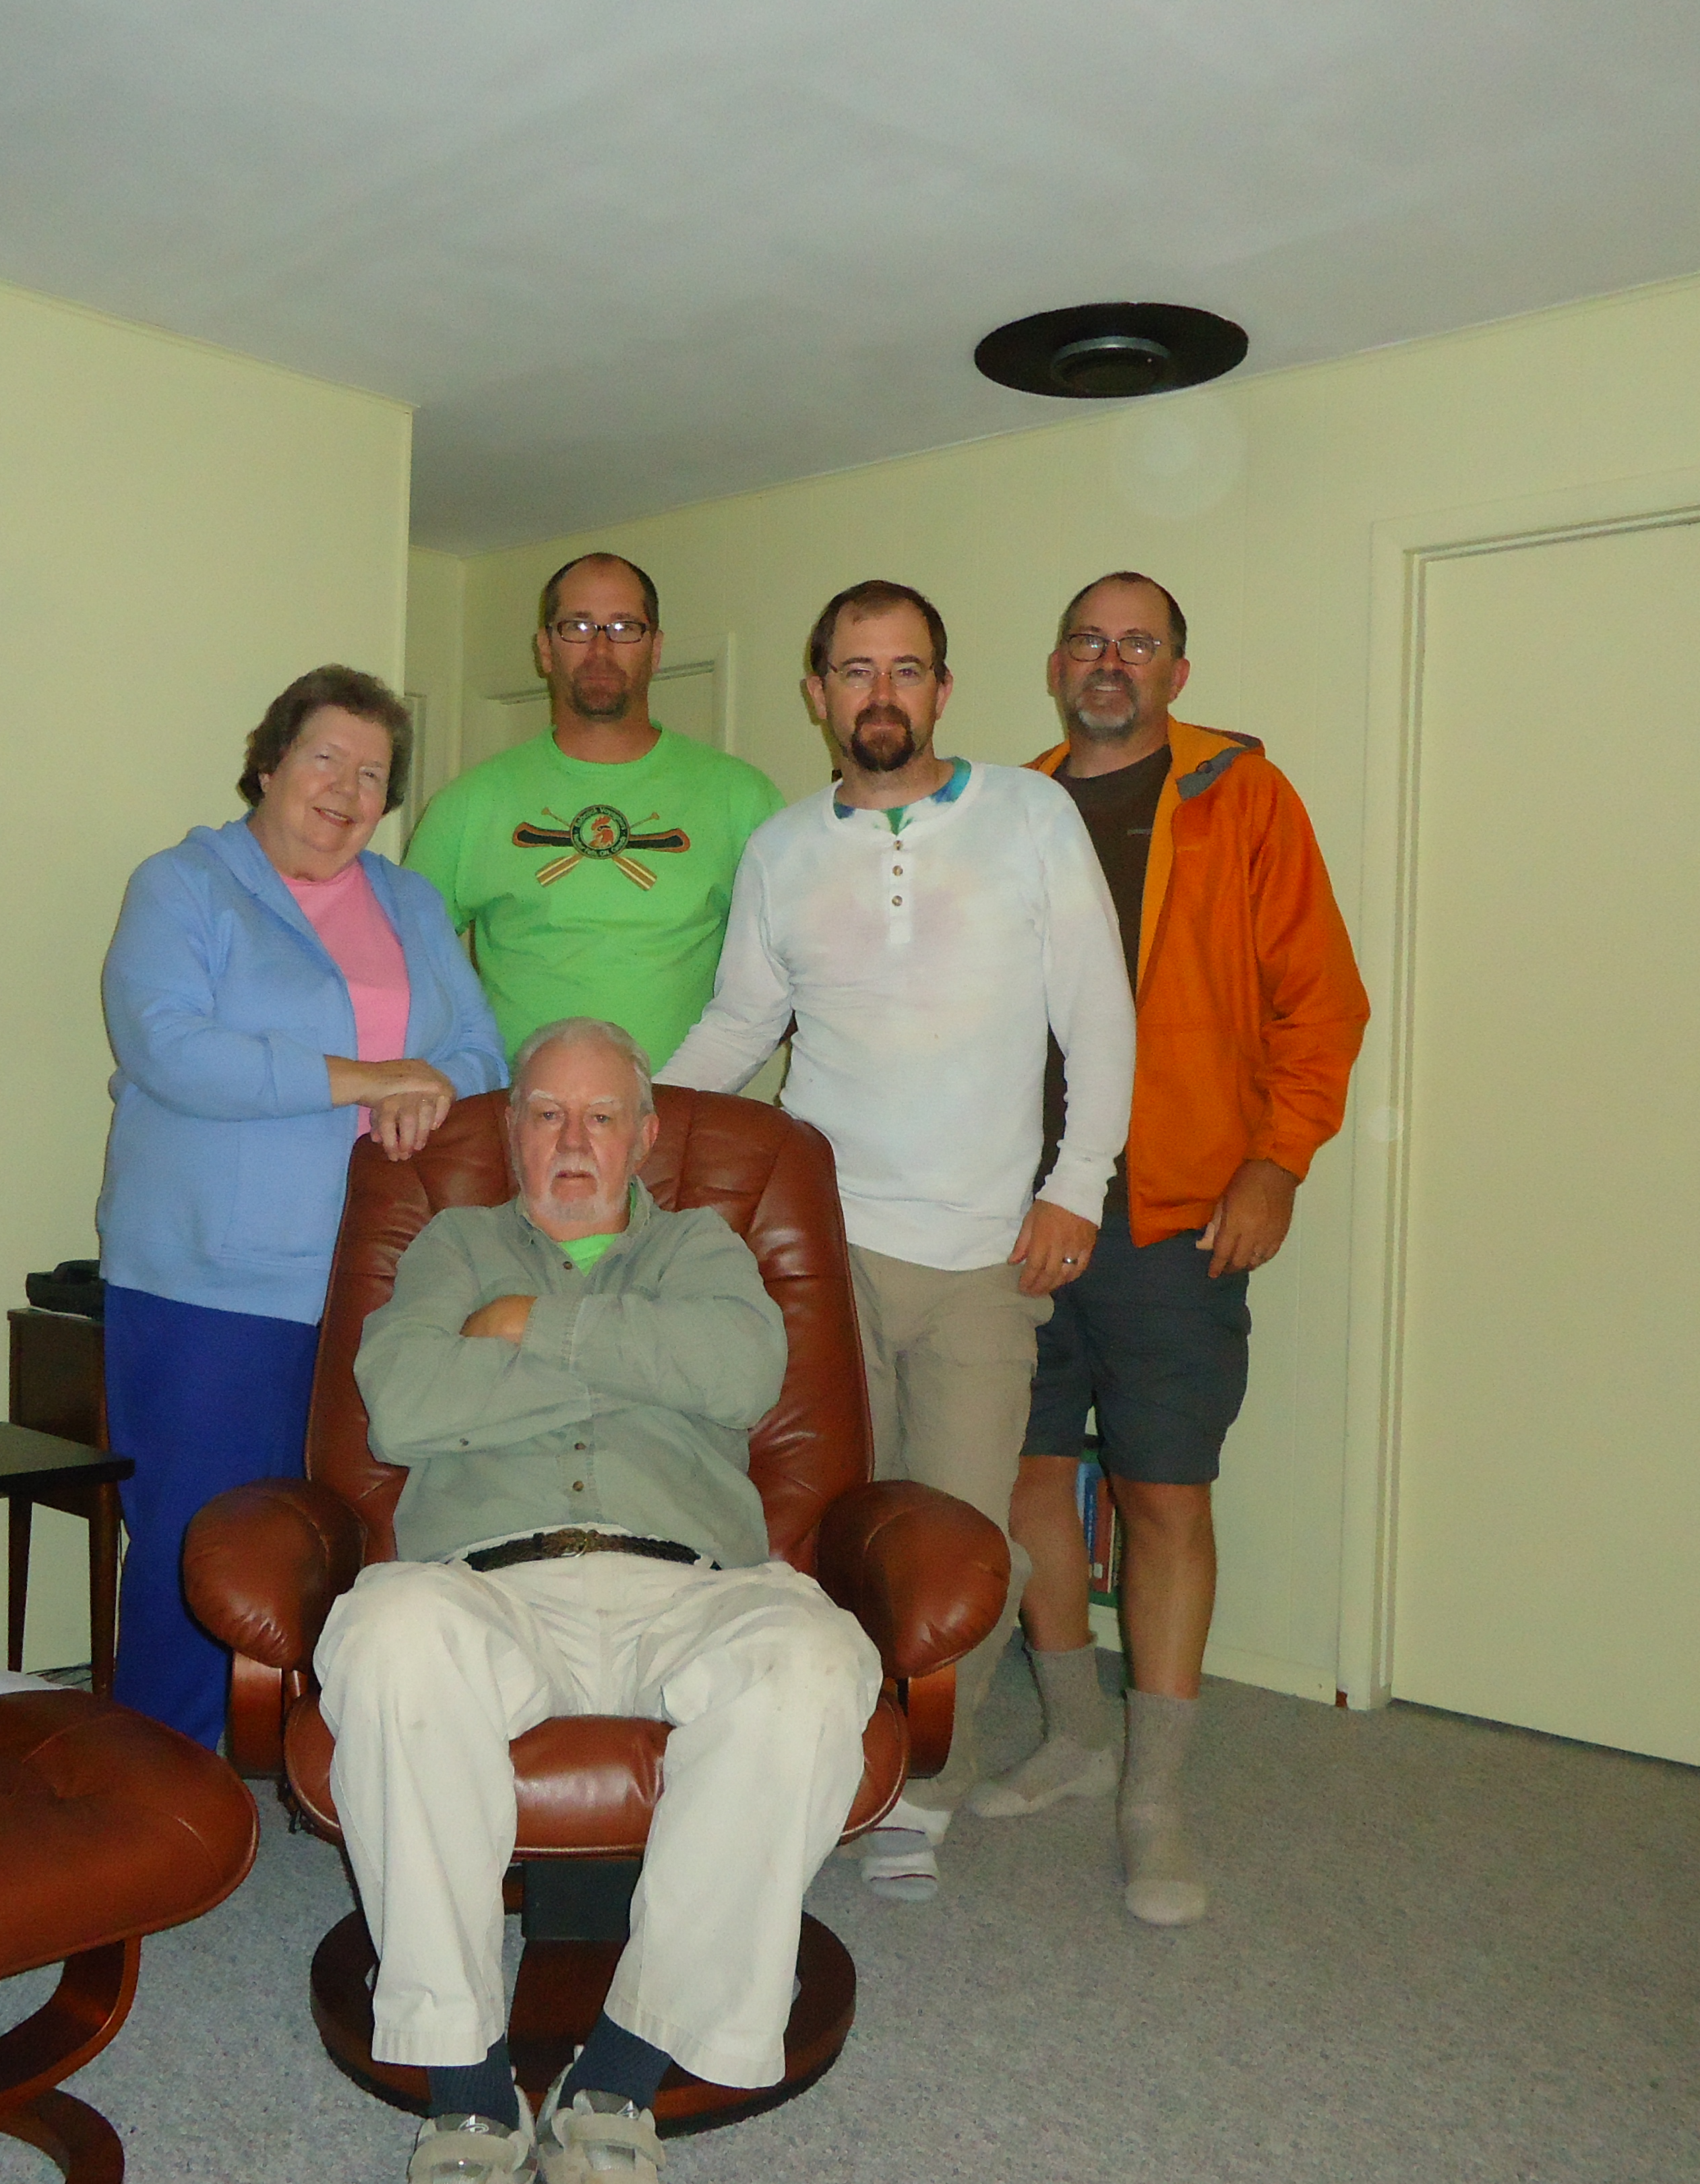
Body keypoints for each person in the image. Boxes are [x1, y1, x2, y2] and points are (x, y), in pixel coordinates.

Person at [320, 1017, 880, 2184]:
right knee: (385, 1637)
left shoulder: (704, 1250)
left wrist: (526, 1331)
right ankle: (468, 2086)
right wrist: (636, 1370)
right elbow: (406, 1405)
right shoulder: (457, 1246)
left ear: (645, 1138)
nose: (573, 1141)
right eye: (546, 1115)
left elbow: (741, 1374)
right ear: (513, 1134)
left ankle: (623, 2069)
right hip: (488, 1585)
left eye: (601, 1117)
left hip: (690, 1584)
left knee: (815, 1664)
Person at [657, 580, 1134, 1903]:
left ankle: (926, 1780)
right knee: (820, 1528)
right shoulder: (781, 852)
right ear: (818, 693)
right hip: (826, 1254)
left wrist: (1076, 1187)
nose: (881, 693)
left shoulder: (1029, 816)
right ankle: (825, 1759)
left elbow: (1099, 1013)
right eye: (856, 670)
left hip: (989, 1258)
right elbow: (740, 1025)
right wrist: (621, 1122)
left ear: (942, 688)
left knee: (965, 1542)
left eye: (906, 668)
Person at [972, 572, 1368, 1927]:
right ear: (1056, 664)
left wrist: (1278, 1160)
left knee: (1162, 1495)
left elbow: (1321, 1003)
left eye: (1138, 643)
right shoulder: (1008, 808)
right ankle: (1075, 1736)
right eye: (1088, 639)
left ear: (1177, 674)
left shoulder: (1243, 799)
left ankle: (1155, 1795)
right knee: (1025, 1475)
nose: (1110, 661)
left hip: (1176, 1210)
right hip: (1017, 1206)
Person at [97, 665, 507, 1750]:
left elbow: (480, 1048)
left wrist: (434, 1087)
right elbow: (171, 1049)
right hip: (212, 1283)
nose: (347, 790)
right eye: (326, 758)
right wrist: (367, 1080)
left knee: (353, 1540)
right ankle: (162, 1782)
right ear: (271, 762)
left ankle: (330, 1760)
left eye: (373, 775)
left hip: (382, 1276)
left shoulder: (409, 901)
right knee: (203, 1544)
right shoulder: (183, 885)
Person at [404, 553, 783, 1066]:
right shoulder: (469, 804)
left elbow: (794, 977)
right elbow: (401, 970)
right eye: (577, 627)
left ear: (656, 649)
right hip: (515, 1106)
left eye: (625, 628)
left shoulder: (743, 799)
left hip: (682, 1104)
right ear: (545, 649)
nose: (601, 648)